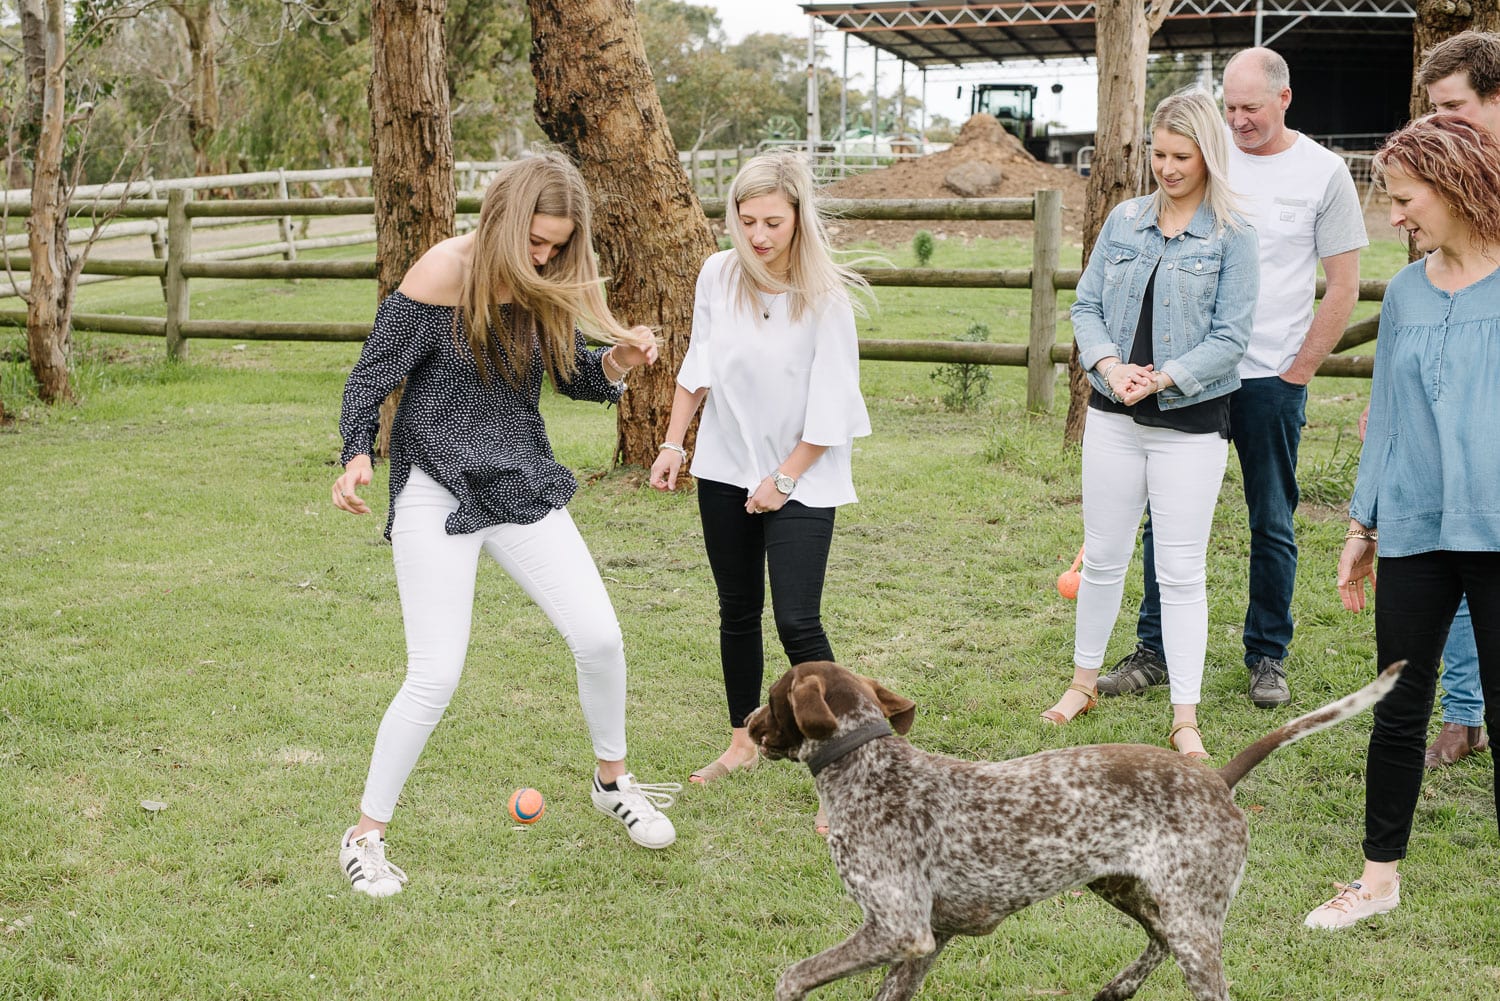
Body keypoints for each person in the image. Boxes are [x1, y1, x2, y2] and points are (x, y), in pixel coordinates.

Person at [331, 152, 678, 898]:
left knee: (600, 636)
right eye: (535, 240)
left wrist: (615, 358)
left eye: (557, 245)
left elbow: (575, 378)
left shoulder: (544, 279)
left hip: (519, 480)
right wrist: (357, 453)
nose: (544, 255)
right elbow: (371, 374)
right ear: (503, 216)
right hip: (437, 486)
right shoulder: (441, 272)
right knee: (435, 674)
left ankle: (612, 781)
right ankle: (365, 837)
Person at [1097, 47, 1368, 709]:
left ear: (1285, 99)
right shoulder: (1206, 156)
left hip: (1267, 378)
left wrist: (1298, 370)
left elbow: (1344, 285)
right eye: (1230, 107)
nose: (1239, 120)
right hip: (1186, 378)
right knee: (1165, 518)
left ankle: (1267, 654)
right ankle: (1154, 648)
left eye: (1251, 108)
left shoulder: (1323, 174)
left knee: (1271, 517)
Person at [1303, 114, 1500, 930]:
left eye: (1404, 198)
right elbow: (1386, 415)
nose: (1394, 217)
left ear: (1454, 186)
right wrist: (1363, 522)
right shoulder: (1412, 291)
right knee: (1397, 701)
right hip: (1418, 524)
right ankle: (1376, 879)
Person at [648, 151, 870, 829]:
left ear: (800, 216)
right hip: (723, 463)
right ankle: (744, 738)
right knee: (738, 608)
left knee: (797, 618)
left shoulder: (826, 298)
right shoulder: (719, 274)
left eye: (772, 221)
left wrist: (783, 479)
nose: (759, 236)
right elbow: (699, 365)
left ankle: (847, 764)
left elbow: (834, 407)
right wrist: (673, 442)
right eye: (746, 222)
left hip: (804, 471)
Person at [1042, 90, 1257, 760]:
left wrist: (1162, 376)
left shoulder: (1234, 236)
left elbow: (1231, 337)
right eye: (1158, 154)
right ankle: (1083, 681)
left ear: (1208, 156)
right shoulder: (1125, 221)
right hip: (1114, 414)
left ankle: (1184, 714)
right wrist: (1109, 364)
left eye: (1180, 156)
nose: (1166, 167)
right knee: (1102, 556)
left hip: (1189, 423)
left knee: (1182, 570)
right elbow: (1085, 305)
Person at [1405, 30, 1499, 767]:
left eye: (1455, 107)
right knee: (1463, 537)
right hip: (1459, 404)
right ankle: (1465, 712)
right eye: (1432, 109)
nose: (1441, 124)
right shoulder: (1449, 179)